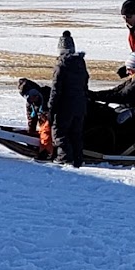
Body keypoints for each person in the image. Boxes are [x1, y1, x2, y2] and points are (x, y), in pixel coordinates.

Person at [47, 30, 89, 167]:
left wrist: (51, 108)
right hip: (80, 105)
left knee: (60, 132)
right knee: (76, 134)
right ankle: (78, 159)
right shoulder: (80, 64)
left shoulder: (61, 65)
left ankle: (64, 158)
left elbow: (56, 89)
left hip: (65, 106)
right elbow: (85, 85)